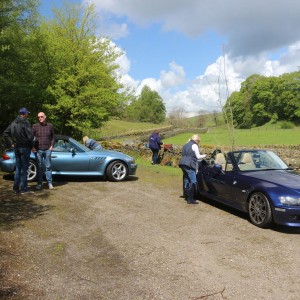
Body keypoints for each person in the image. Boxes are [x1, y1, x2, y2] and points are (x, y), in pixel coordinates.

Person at [3, 108, 34, 194]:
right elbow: (30, 137)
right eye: (27, 113)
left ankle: (15, 188)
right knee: (24, 169)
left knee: (18, 168)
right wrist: (32, 146)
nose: (28, 114)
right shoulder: (25, 122)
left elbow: (5, 133)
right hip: (25, 148)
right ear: (24, 114)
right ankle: (23, 189)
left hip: (16, 148)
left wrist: (11, 143)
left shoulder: (13, 123)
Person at [179, 134, 206, 204]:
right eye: (198, 141)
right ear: (196, 140)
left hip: (182, 164)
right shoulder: (194, 145)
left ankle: (186, 195)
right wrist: (205, 155)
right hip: (189, 165)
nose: (198, 143)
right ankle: (190, 199)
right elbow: (198, 156)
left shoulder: (185, 145)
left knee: (187, 180)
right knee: (193, 181)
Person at [32, 112, 55, 190]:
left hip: (48, 149)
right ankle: (39, 184)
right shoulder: (35, 126)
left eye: (41, 116)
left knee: (48, 167)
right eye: (38, 117)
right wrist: (32, 147)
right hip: (38, 150)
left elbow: (53, 137)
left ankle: (49, 183)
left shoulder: (50, 126)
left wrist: (51, 146)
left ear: (45, 117)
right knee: (39, 167)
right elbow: (31, 138)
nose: (40, 118)